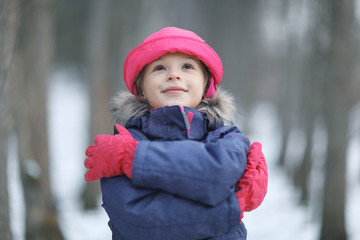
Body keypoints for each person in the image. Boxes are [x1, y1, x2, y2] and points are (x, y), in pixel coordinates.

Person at [84, 27, 268, 240]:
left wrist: (131, 158)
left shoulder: (227, 138)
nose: (173, 75)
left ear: (206, 84)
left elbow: (218, 171)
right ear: (141, 87)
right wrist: (232, 207)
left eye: (187, 66)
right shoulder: (123, 141)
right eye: (159, 68)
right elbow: (140, 222)